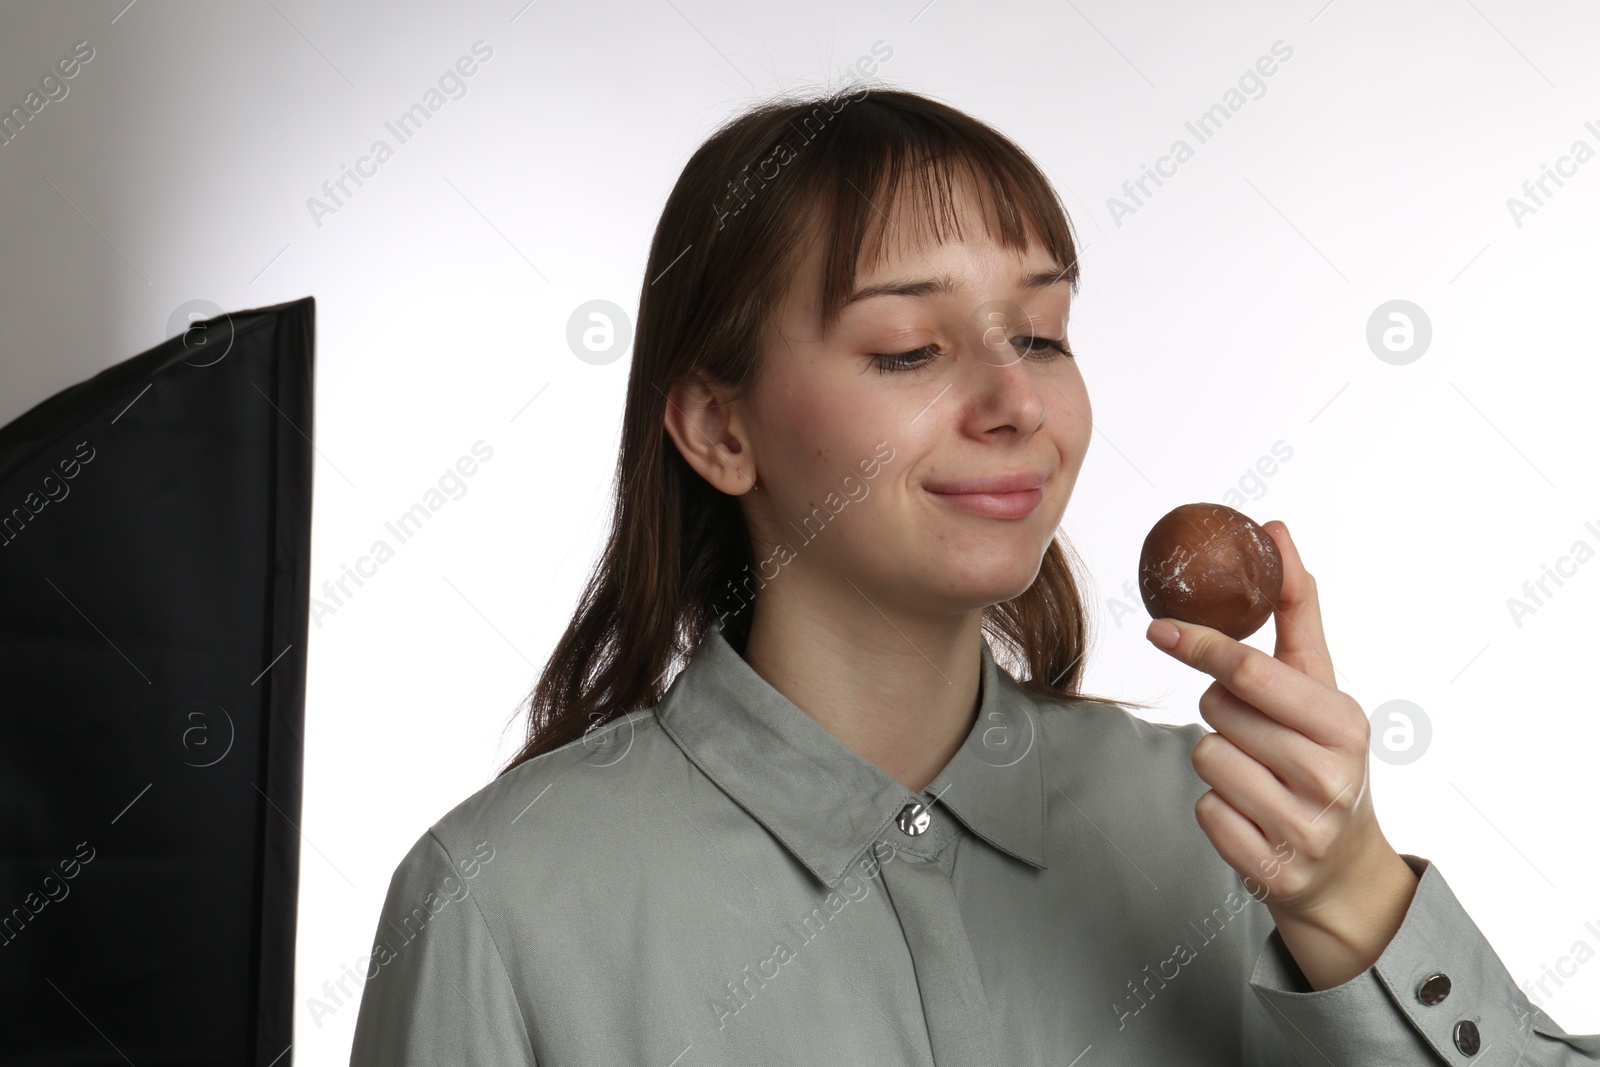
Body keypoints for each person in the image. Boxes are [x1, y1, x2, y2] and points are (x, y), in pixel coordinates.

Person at [348, 84, 1600, 1065]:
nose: (1016, 402)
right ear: (719, 429)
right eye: (908, 347)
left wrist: (1356, 902)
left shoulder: (1230, 833)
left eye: (1043, 333)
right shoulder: (497, 904)